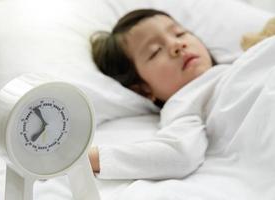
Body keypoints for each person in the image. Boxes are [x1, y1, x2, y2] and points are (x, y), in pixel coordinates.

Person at [88, 9, 219, 179]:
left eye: (179, 34)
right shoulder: (185, 101)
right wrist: (86, 159)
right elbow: (178, 155)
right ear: (144, 89)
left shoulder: (235, 65)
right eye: (156, 51)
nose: (176, 45)